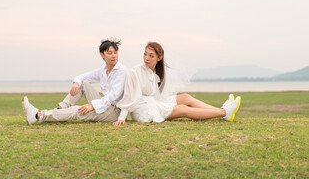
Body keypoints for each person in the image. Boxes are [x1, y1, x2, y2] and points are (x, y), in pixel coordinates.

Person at [113, 42, 241, 126]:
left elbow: (156, 95)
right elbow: (129, 95)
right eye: (145, 54)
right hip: (142, 111)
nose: (146, 58)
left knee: (185, 97)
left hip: (151, 103)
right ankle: (223, 112)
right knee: (182, 110)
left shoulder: (154, 72)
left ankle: (222, 111)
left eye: (151, 56)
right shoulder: (135, 71)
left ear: (159, 58)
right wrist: (122, 117)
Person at [22, 39, 127, 125]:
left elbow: (114, 95)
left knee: (79, 111)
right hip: (105, 104)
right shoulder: (103, 70)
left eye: (116, 52)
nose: (114, 56)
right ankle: (61, 108)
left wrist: (93, 106)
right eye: (110, 53)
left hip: (115, 112)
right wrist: (76, 83)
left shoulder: (122, 71)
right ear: (102, 55)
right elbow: (81, 77)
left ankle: (37, 116)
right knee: (83, 83)